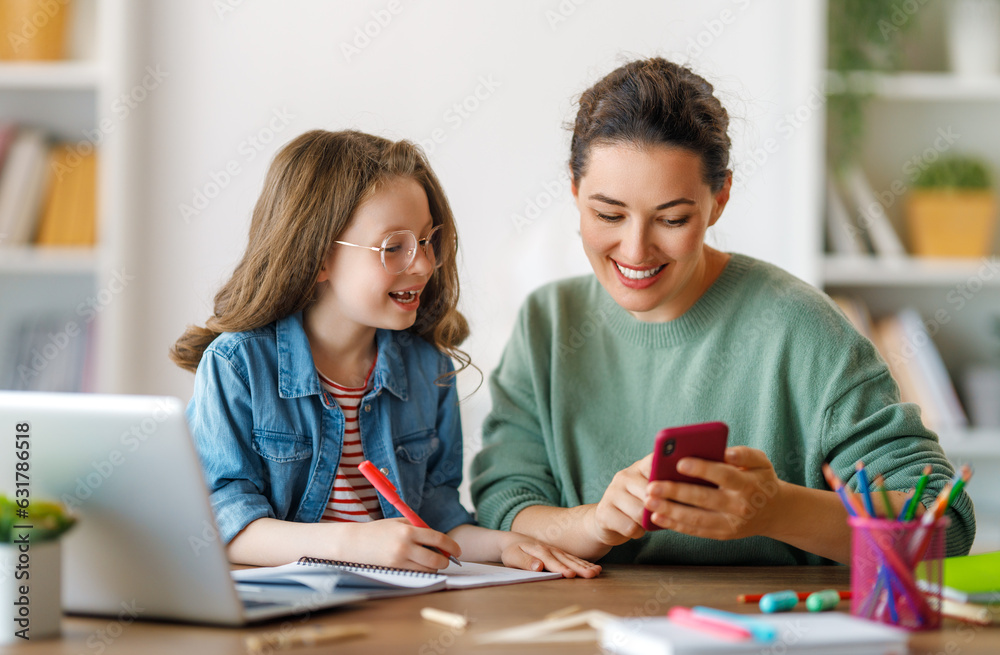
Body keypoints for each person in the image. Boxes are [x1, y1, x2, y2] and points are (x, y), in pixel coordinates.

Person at [470, 58, 976, 565]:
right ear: (575, 192)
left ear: (719, 199)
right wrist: (595, 522)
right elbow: (504, 507)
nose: (635, 249)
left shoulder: (800, 326)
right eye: (608, 214)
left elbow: (943, 524)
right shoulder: (547, 323)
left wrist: (776, 510)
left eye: (672, 218)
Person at [171, 129, 600, 577]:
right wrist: (354, 542)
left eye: (427, 240)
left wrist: (506, 545)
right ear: (317, 256)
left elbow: (434, 517)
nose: (424, 264)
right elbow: (225, 524)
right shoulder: (237, 365)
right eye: (394, 247)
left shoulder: (429, 368)